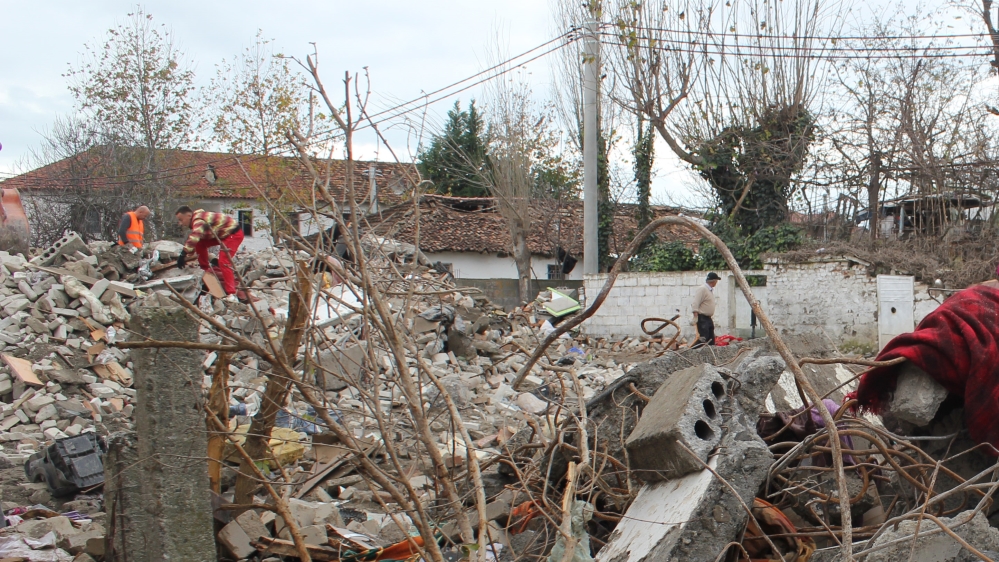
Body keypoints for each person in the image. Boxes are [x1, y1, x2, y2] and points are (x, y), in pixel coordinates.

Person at [174, 206, 246, 301]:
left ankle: (231, 294)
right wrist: (189, 253)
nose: (180, 223)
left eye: (181, 220)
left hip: (233, 234)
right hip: (223, 234)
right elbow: (197, 240)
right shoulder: (199, 218)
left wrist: (183, 254)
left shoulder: (198, 220)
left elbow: (194, 237)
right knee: (200, 243)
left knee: (224, 262)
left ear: (188, 215)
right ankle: (204, 269)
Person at [692, 272, 720, 346]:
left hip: (708, 318)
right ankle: (693, 350)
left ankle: (710, 351)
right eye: (716, 281)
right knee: (704, 337)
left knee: (711, 337)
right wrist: (695, 316)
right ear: (713, 281)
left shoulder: (709, 290)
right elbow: (696, 302)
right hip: (702, 318)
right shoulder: (702, 289)